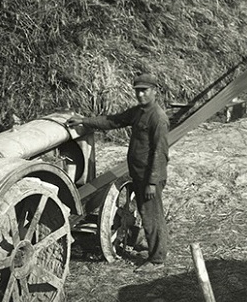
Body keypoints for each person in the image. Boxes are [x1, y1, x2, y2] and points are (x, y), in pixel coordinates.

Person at [66, 73, 169, 272]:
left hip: (149, 177)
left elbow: (160, 154)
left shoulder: (158, 118)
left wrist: (152, 182)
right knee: (147, 213)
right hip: (139, 174)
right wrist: (85, 121)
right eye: (137, 91)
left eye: (144, 91)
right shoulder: (139, 112)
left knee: (151, 215)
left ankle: (157, 260)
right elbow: (114, 121)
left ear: (154, 91)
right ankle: (154, 246)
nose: (140, 95)